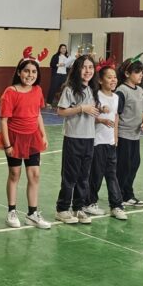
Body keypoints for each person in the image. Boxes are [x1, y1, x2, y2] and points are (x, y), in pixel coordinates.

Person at [0, 56, 52, 229]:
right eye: (26, 71)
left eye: (34, 71)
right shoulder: (10, 92)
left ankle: (32, 214)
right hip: (14, 138)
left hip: (32, 138)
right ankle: (12, 212)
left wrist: (43, 135)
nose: (30, 75)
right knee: (14, 174)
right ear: (19, 73)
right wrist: (7, 144)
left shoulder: (37, 90)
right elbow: (4, 120)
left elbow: (38, 114)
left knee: (34, 175)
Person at [55, 54, 101, 220]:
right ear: (77, 70)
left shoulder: (92, 89)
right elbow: (61, 111)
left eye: (90, 67)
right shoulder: (70, 89)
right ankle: (62, 209)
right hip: (73, 138)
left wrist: (101, 111)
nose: (88, 71)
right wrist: (81, 108)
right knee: (70, 176)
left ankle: (78, 207)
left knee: (83, 176)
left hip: (89, 138)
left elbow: (92, 111)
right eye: (84, 67)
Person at [87, 64, 126, 219]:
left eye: (114, 77)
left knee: (111, 174)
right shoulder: (95, 96)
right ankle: (90, 202)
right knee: (96, 175)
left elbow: (115, 118)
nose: (113, 80)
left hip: (110, 142)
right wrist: (101, 120)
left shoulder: (116, 98)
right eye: (109, 77)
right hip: (97, 142)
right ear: (100, 80)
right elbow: (89, 118)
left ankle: (116, 205)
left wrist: (115, 137)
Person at [115, 57, 143, 208]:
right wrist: (115, 136)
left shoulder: (140, 90)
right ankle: (119, 195)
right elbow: (116, 114)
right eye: (137, 72)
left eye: (142, 71)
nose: (141, 75)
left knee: (134, 164)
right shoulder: (121, 91)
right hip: (124, 135)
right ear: (127, 73)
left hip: (135, 136)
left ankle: (128, 194)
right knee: (123, 166)